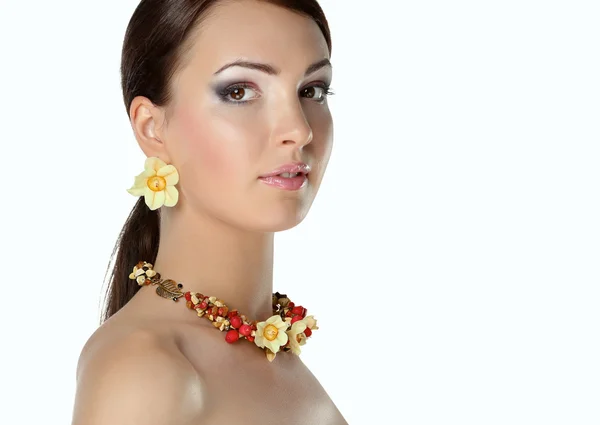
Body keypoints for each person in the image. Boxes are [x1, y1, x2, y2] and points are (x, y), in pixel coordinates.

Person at [71, 0, 348, 423]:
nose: (299, 129)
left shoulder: (266, 350)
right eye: (238, 91)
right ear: (151, 127)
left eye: (311, 90)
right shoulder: (144, 369)